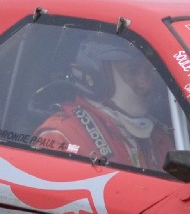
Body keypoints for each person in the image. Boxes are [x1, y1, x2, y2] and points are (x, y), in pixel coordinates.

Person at [33, 39, 175, 171]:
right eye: (133, 71)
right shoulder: (61, 138)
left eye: (149, 71)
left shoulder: (159, 136)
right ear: (98, 78)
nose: (146, 84)